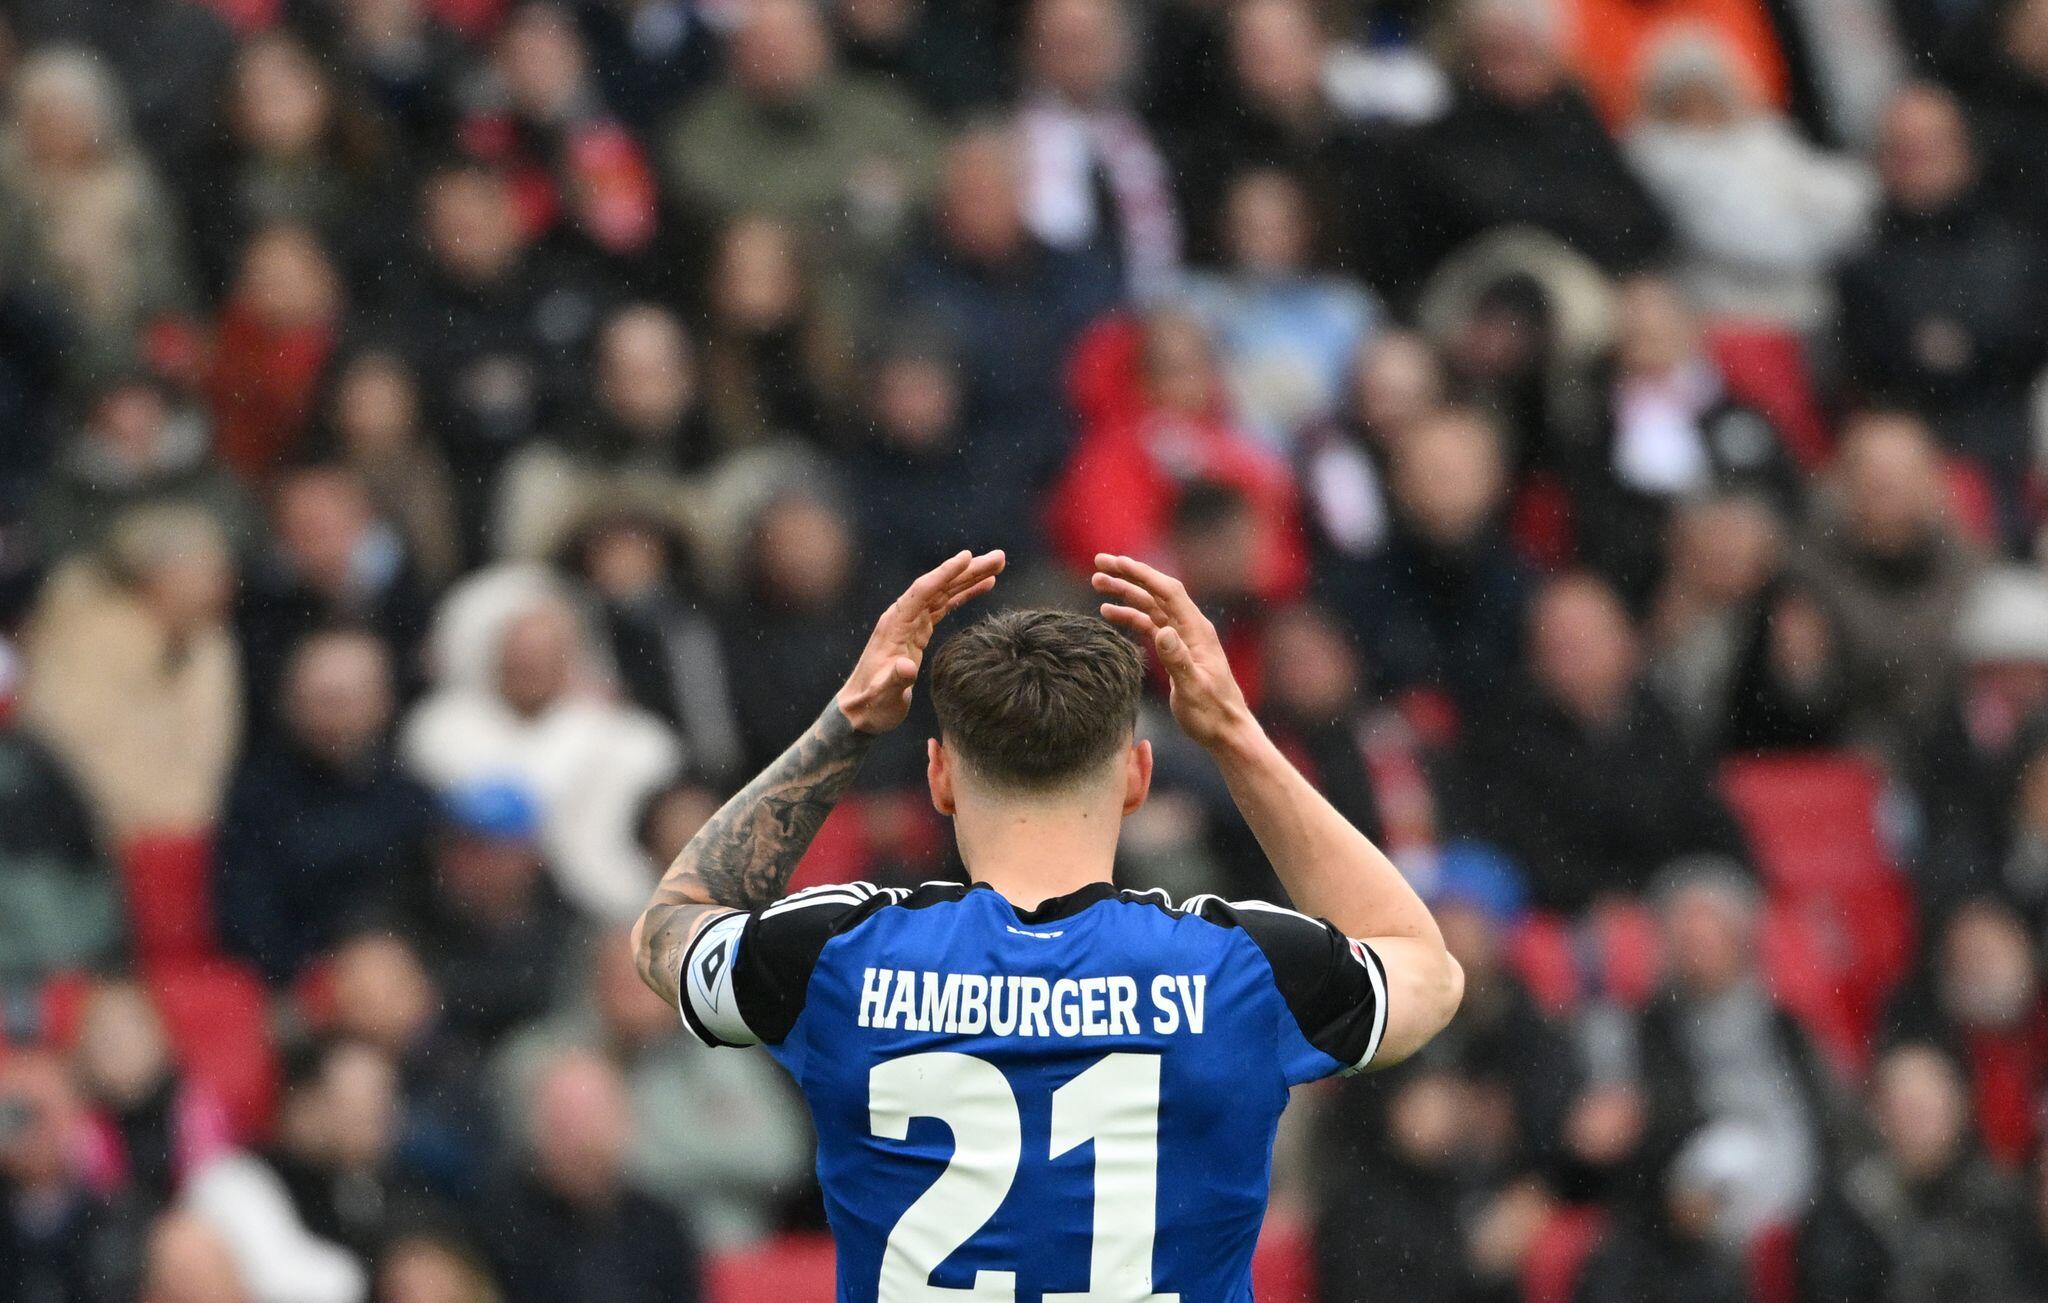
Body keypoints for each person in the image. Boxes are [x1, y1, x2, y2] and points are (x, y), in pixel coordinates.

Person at [630, 548, 1464, 1297]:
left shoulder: (839, 954)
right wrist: (1234, 734)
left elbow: (670, 927)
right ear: (1137, 776)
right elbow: (1426, 972)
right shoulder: (1237, 964)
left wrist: (847, 720)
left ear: (938, 775)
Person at [217, 630, 434, 985]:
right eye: (319, 700)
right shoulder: (257, 800)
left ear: (383, 702)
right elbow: (246, 922)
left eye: (344, 700)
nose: (331, 716)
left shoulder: (412, 801)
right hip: (296, 983)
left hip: (403, 977)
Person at [482, 1051, 700, 1303]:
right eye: (564, 1122)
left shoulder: (661, 1227)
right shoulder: (499, 1228)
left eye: (594, 1118)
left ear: (625, 1123)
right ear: (535, 1130)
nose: (582, 1141)